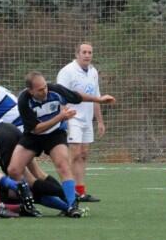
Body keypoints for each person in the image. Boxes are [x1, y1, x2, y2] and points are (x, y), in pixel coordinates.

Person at [7, 71, 115, 218]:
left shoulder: (55, 90)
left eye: (45, 86)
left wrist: (99, 99)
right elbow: (36, 129)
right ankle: (36, 203)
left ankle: (72, 206)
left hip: (55, 134)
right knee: (13, 170)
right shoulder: (23, 100)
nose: (45, 90)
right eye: (40, 89)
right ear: (30, 91)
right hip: (33, 135)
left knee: (63, 165)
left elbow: (76, 96)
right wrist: (60, 117)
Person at [57, 42, 105, 202]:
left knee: (83, 154)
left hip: (87, 119)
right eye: (84, 52)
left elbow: (96, 98)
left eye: (90, 52)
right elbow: (59, 96)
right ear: (77, 54)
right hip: (72, 118)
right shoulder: (67, 71)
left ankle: (80, 191)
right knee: (74, 153)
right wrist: (62, 117)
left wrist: (100, 121)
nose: (87, 55)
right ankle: (68, 191)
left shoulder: (93, 72)